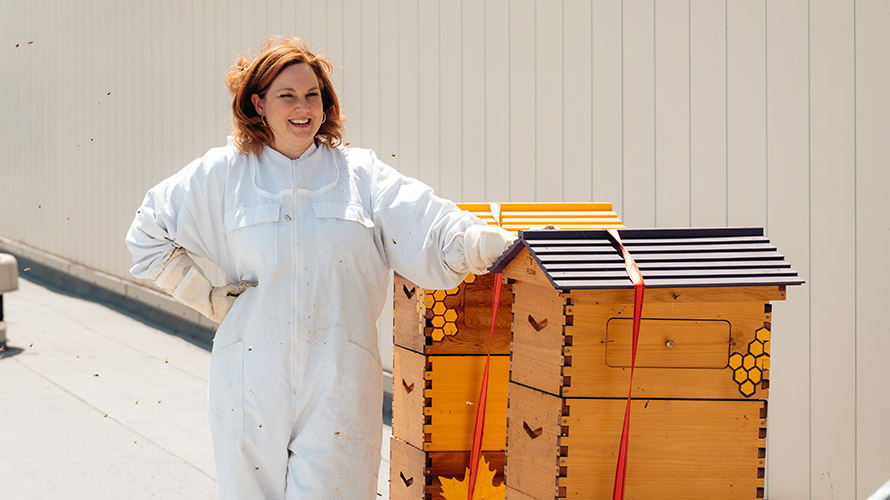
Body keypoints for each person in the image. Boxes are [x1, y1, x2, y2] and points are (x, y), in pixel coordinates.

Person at [125, 36, 514, 500]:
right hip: (250, 378)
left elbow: (427, 222)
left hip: (339, 379)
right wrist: (205, 296)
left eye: (312, 95)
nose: (302, 107)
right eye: (286, 95)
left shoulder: (359, 176)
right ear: (258, 103)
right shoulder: (222, 174)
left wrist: (478, 244)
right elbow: (147, 237)